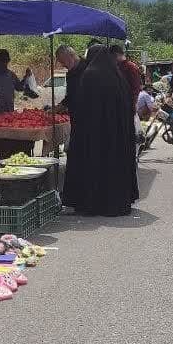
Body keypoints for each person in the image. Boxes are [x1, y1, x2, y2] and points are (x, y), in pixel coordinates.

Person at [62, 45, 139, 216]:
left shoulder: (90, 75)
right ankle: (115, 202)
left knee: (95, 166)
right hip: (116, 135)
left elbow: (83, 106)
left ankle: (93, 203)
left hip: (95, 134)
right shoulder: (118, 77)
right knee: (113, 167)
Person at [0, 49, 32, 115]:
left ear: (8, 61)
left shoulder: (11, 75)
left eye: (5, 61)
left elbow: (19, 88)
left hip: (8, 113)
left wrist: (26, 77)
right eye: (1, 61)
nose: (3, 63)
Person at [109, 44, 144, 112]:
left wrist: (133, 104)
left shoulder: (131, 67)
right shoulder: (118, 66)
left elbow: (135, 87)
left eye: (112, 57)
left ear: (116, 55)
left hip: (128, 102)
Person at [53, 44, 85, 114]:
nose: (63, 65)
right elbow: (70, 96)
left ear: (70, 56)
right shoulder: (70, 74)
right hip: (76, 115)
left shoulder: (88, 69)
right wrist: (59, 107)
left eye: (62, 61)